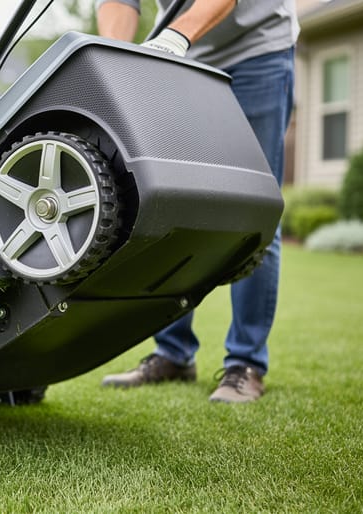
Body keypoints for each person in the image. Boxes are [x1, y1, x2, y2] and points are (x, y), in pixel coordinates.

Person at [97, 0, 298, 403]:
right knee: (170, 203)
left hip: (257, 49)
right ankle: (173, 353)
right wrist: (114, 62)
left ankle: (245, 363)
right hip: (181, 58)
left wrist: (176, 35)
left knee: (255, 211)